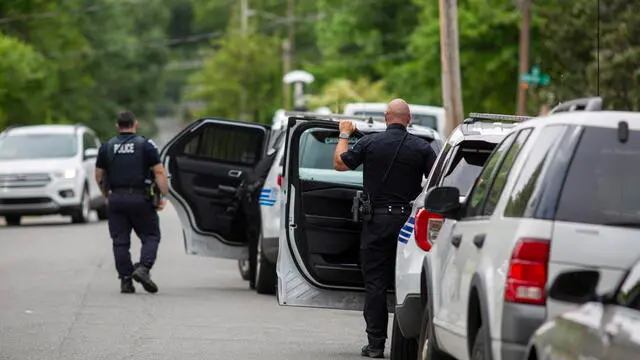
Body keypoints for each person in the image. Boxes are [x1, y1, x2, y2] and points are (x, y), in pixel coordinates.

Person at [334, 99, 437, 358]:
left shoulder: (370, 143)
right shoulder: (422, 148)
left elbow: (340, 163)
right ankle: (410, 343)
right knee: (406, 282)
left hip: (376, 223)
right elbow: (435, 183)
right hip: (408, 225)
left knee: (376, 284)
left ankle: (376, 345)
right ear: (409, 118)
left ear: (385, 117)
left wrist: (345, 134)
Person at [95, 110, 169, 294]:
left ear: (117, 126)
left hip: (116, 198)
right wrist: (164, 196)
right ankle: (143, 268)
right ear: (135, 124)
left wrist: (107, 195)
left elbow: (99, 176)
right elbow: (159, 172)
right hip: (140, 199)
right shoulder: (146, 145)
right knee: (150, 236)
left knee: (120, 242)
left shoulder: (106, 147)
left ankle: (126, 281)